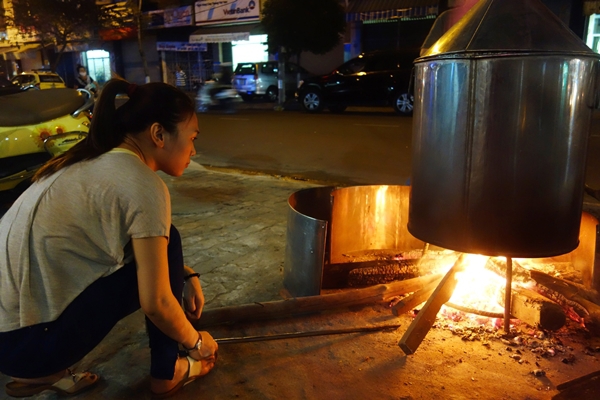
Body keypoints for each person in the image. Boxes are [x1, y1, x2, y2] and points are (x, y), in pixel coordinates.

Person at [0, 79, 219, 397]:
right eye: (192, 138)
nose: (193, 150)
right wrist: (196, 342)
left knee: (163, 245)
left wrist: (183, 272)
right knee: (167, 241)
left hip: (10, 343)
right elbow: (156, 302)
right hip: (31, 347)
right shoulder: (141, 183)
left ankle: (44, 373)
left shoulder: (84, 160)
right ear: (159, 134)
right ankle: (168, 370)